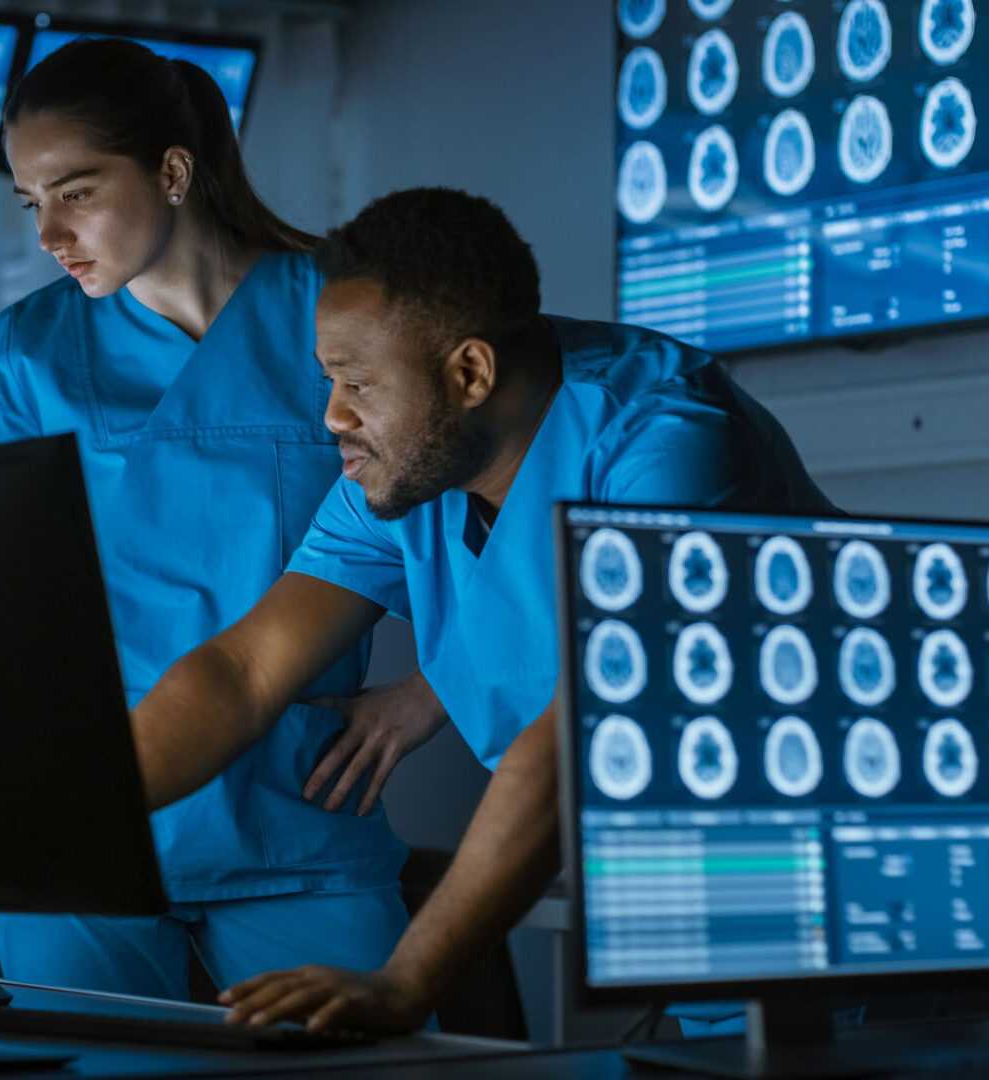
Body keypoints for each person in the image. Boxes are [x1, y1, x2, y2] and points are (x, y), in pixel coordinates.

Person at [110, 186, 833, 1031]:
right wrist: (68, 816)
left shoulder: (664, 443)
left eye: (357, 385)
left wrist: (407, 982)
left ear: (470, 373)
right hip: (684, 904)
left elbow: (586, 730)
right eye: (328, 381)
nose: (332, 416)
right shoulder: (407, 473)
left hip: (851, 895)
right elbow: (244, 671)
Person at [0, 38, 443, 1001]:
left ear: (174, 170)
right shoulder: (29, 353)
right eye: (33, 205)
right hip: (84, 826)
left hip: (297, 816)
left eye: (75, 192)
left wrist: (429, 696)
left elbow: (498, 516)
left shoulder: (344, 314)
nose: (50, 237)